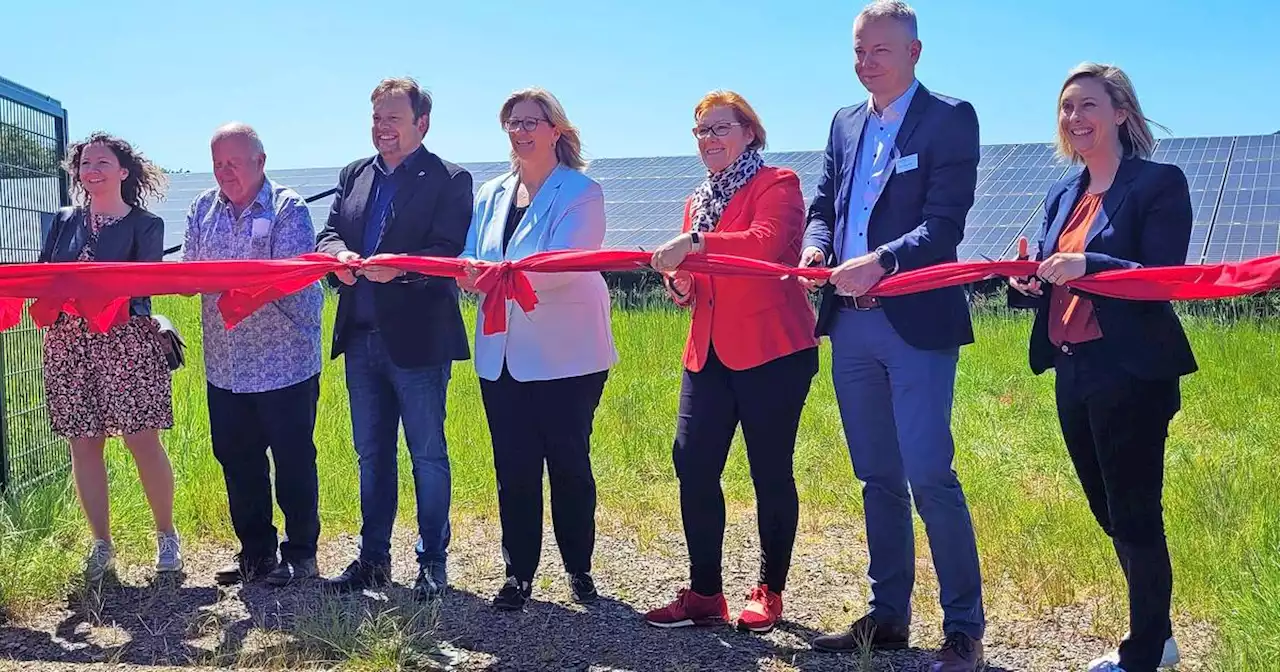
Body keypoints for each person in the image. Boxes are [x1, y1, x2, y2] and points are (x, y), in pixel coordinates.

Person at [802, 3, 985, 670]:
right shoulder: (844, 123)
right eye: (858, 50)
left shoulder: (949, 118)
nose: (865, 61)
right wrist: (818, 250)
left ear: (914, 52)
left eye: (879, 50)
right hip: (849, 326)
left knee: (930, 473)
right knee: (877, 476)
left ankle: (963, 628)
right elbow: (824, 204)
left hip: (914, 321)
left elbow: (945, 224)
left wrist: (880, 260)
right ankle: (888, 617)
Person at [1009, 63, 1194, 672]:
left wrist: (1089, 262)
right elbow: (1044, 273)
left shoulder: (1159, 184)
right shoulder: (1063, 193)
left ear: (1120, 112)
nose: (1075, 118)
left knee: (1136, 508)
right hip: (1071, 367)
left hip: (1131, 369)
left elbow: (1160, 276)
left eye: (1087, 105)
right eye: (1066, 108)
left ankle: (1145, 653)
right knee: (1107, 508)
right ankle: (1157, 635)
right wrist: (1026, 282)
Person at [642, 91, 819, 634]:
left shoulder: (779, 184)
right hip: (709, 352)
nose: (709, 140)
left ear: (750, 133)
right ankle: (704, 592)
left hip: (773, 351)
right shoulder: (697, 199)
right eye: (701, 132)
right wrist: (681, 281)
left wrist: (693, 246)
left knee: (770, 472)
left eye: (720, 129)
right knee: (692, 464)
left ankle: (771, 589)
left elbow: (763, 246)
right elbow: (698, 279)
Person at [457, 88, 617, 611]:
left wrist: (497, 276)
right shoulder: (491, 192)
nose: (521, 131)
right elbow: (469, 255)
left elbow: (566, 262)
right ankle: (517, 574)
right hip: (500, 350)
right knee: (514, 468)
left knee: (568, 462)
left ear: (557, 131)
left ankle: (579, 567)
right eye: (512, 123)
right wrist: (468, 273)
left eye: (531, 121)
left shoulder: (581, 191)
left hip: (566, 354)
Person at [316, 77, 473, 602]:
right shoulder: (354, 174)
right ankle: (374, 560)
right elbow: (330, 232)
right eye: (377, 117)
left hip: (419, 341)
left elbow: (446, 250)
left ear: (421, 123)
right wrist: (337, 256)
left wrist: (399, 273)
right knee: (371, 455)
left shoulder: (449, 178)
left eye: (393, 118)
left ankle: (433, 563)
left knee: (427, 454)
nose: (382, 128)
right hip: (359, 338)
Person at [182, 123, 324, 587]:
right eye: (218, 163)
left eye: (234, 163)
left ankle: (301, 553)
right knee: (237, 462)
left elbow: (282, 280)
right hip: (226, 366)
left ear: (260, 162)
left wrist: (225, 279)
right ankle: (257, 553)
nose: (225, 172)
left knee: (293, 461)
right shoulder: (202, 208)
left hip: (284, 363)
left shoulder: (289, 209)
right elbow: (189, 276)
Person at [38, 132, 179, 582]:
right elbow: (43, 276)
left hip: (124, 342)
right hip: (67, 343)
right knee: (84, 443)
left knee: (142, 438)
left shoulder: (146, 225)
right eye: (85, 163)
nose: (92, 170)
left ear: (123, 171)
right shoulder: (62, 220)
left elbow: (146, 289)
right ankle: (101, 543)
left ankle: (166, 535)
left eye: (102, 162)